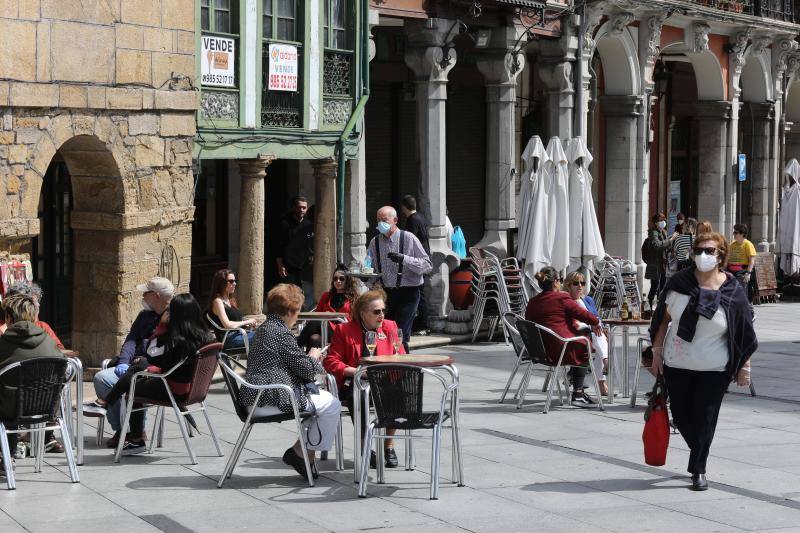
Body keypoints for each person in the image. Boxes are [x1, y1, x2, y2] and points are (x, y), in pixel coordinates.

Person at [650, 231, 757, 491]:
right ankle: (699, 448)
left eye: (709, 251)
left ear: (721, 256)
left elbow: (743, 331)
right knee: (682, 416)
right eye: (699, 250)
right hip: (677, 363)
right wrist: (655, 353)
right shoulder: (678, 283)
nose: (703, 255)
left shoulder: (733, 289)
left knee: (706, 418)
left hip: (714, 367)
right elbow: (663, 321)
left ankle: (699, 469)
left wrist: (744, 366)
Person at [83, 294, 215, 455]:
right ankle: (105, 403)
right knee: (139, 366)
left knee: (134, 384)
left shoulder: (178, 340)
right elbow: (168, 363)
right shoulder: (205, 337)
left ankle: (134, 437)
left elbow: (153, 355)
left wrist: (160, 329)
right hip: (193, 389)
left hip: (172, 389)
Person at [240, 284, 341, 481]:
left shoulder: (267, 327)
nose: (298, 316)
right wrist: (314, 356)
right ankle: (302, 454)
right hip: (267, 400)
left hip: (256, 397)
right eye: (298, 311)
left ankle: (301, 453)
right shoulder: (280, 333)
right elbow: (305, 369)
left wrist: (311, 361)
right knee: (332, 404)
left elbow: (295, 363)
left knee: (322, 404)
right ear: (290, 311)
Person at [88, 277, 173, 448]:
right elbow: (131, 340)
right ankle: (123, 429)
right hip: (131, 366)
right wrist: (124, 361)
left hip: (151, 371)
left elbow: (163, 353)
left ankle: (135, 430)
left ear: (156, 295)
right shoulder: (144, 316)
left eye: (145, 292)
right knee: (101, 378)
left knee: (117, 382)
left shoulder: (171, 320)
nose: (142, 295)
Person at [323, 289, 405, 468]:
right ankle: (364, 444)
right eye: (376, 312)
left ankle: (388, 445)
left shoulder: (390, 327)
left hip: (383, 379)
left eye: (383, 310)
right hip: (355, 381)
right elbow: (330, 361)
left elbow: (401, 355)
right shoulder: (344, 330)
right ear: (362, 313)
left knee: (399, 392)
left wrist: (396, 364)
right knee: (357, 397)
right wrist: (355, 371)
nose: (381, 315)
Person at [0, 294, 66, 465]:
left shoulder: (4, 344)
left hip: (11, 408)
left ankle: (7, 455)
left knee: (9, 399)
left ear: (9, 317)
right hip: (47, 408)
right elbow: (64, 372)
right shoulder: (48, 341)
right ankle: (8, 455)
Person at [525, 267, 602, 407]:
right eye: (560, 280)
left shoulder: (532, 301)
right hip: (558, 350)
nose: (560, 283)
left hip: (538, 350)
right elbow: (582, 313)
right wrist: (596, 322)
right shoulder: (561, 297)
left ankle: (575, 380)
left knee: (580, 340)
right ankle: (578, 393)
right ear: (555, 282)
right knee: (585, 344)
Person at [366, 206, 432, 351]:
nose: (380, 223)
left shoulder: (408, 238)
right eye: (378, 220)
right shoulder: (374, 242)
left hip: (408, 293)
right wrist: (366, 278)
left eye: (384, 220)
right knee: (383, 333)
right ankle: (387, 367)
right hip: (386, 294)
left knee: (400, 333)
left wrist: (404, 259)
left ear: (395, 220)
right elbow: (371, 269)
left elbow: (427, 265)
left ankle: (402, 368)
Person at [563, 272, 609, 396]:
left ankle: (605, 361)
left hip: (592, 334)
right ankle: (603, 374)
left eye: (582, 283)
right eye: (575, 283)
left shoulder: (588, 300)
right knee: (598, 338)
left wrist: (600, 326)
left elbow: (597, 317)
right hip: (576, 337)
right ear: (568, 286)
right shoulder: (566, 302)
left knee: (599, 336)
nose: (580, 286)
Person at [297, 265, 358, 349]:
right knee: (314, 339)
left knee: (318, 321)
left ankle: (296, 345)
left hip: (342, 332)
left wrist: (332, 317)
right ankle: (307, 361)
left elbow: (355, 321)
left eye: (342, 279)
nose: (338, 281)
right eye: (335, 279)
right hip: (323, 329)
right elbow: (317, 314)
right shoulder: (326, 296)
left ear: (347, 280)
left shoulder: (354, 299)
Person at [276, 196, 315, 310]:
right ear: (293, 208)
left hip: (305, 267)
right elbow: (279, 246)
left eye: (304, 208)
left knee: (305, 295)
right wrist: (280, 265)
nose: (301, 210)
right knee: (289, 294)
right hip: (289, 266)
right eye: (299, 207)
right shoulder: (285, 224)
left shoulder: (309, 224)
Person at [400, 195, 430, 335]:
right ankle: (423, 324)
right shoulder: (421, 217)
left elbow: (410, 241)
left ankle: (422, 325)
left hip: (417, 261)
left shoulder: (412, 220)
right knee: (421, 292)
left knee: (419, 293)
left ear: (404, 207)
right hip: (424, 258)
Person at [206, 269, 257, 350]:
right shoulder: (217, 301)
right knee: (265, 335)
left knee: (268, 333)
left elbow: (235, 321)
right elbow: (227, 325)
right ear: (221, 283)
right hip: (229, 339)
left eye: (235, 281)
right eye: (231, 281)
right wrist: (248, 321)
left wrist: (246, 325)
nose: (235, 283)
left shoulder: (230, 300)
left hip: (238, 335)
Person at [4, 282, 65, 350]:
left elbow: (60, 349)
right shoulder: (4, 332)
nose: (38, 305)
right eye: (32, 303)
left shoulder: (42, 326)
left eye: (37, 302)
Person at [644, 213, 672, 308]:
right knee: (654, 287)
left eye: (664, 220)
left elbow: (665, 246)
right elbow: (657, 245)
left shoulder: (663, 232)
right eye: (661, 221)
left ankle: (660, 307)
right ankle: (649, 305)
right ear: (656, 223)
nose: (663, 222)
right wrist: (670, 240)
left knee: (662, 287)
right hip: (655, 265)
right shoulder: (653, 233)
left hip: (663, 264)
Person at [728, 223, 757, 290]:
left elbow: (751, 261)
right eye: (733, 232)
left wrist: (748, 273)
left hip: (741, 271)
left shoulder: (748, 244)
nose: (734, 234)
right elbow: (727, 258)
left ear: (742, 234)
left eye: (736, 233)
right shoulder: (732, 245)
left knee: (739, 285)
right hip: (730, 269)